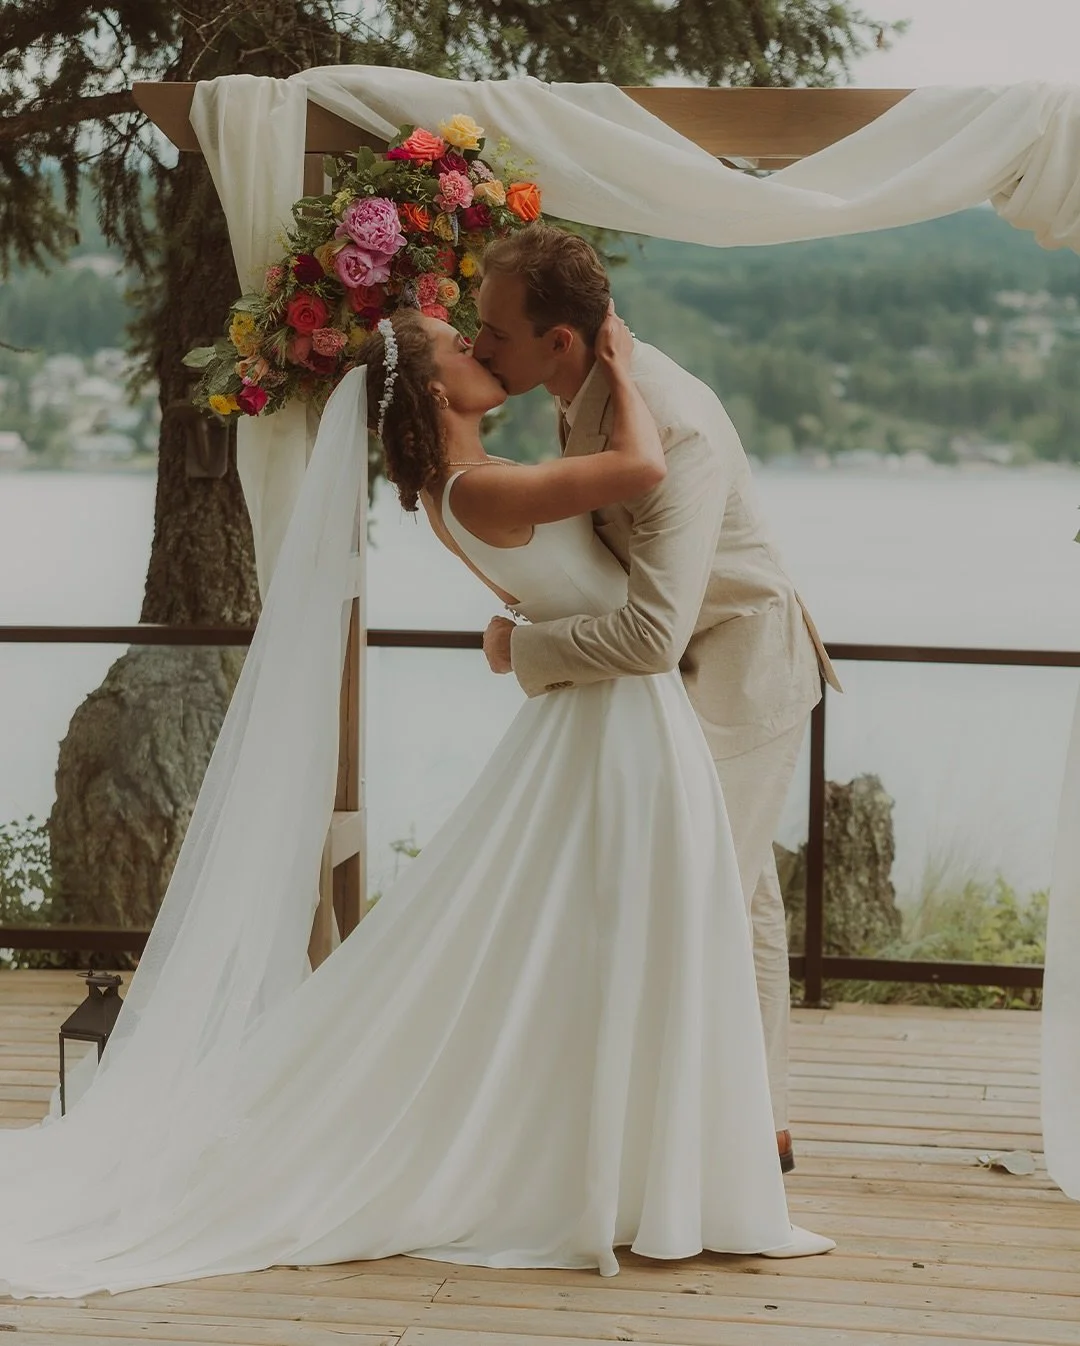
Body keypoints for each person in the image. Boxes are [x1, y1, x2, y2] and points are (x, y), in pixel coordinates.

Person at [0, 308, 831, 1303]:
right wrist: (619, 364)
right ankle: (646, 1156)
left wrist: (517, 632)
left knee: (637, 928)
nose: (482, 352)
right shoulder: (483, 486)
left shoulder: (465, 486)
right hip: (615, 724)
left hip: (614, 720)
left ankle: (670, 1147)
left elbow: (569, 572)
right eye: (463, 346)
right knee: (651, 928)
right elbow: (644, 474)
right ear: (436, 392)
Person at [472, 223, 843, 1172]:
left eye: (496, 334)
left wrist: (530, 651)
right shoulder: (582, 388)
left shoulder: (667, 420)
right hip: (682, 664)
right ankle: (758, 1124)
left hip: (740, 669)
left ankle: (706, 1136)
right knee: (746, 896)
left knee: (703, 890)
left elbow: (651, 631)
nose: (479, 349)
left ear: (561, 340)